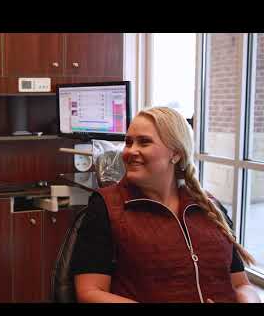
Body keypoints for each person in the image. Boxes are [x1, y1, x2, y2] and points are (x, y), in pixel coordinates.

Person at [70, 107, 261, 303]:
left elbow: (241, 284)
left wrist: (248, 300)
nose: (130, 151)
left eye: (144, 142)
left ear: (176, 154)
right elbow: (89, 292)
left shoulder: (209, 207)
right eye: (128, 142)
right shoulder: (106, 206)